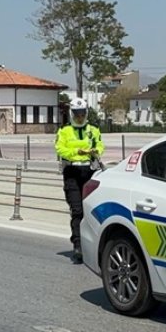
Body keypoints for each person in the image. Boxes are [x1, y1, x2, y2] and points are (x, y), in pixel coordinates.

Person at [55, 98, 104, 262]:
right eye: (77, 114)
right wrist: (78, 152)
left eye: (82, 114)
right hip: (72, 172)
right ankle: (78, 245)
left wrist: (94, 151)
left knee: (91, 210)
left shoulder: (94, 129)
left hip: (89, 171)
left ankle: (94, 244)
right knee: (77, 210)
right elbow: (60, 149)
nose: (80, 117)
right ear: (72, 114)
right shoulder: (64, 130)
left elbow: (100, 146)